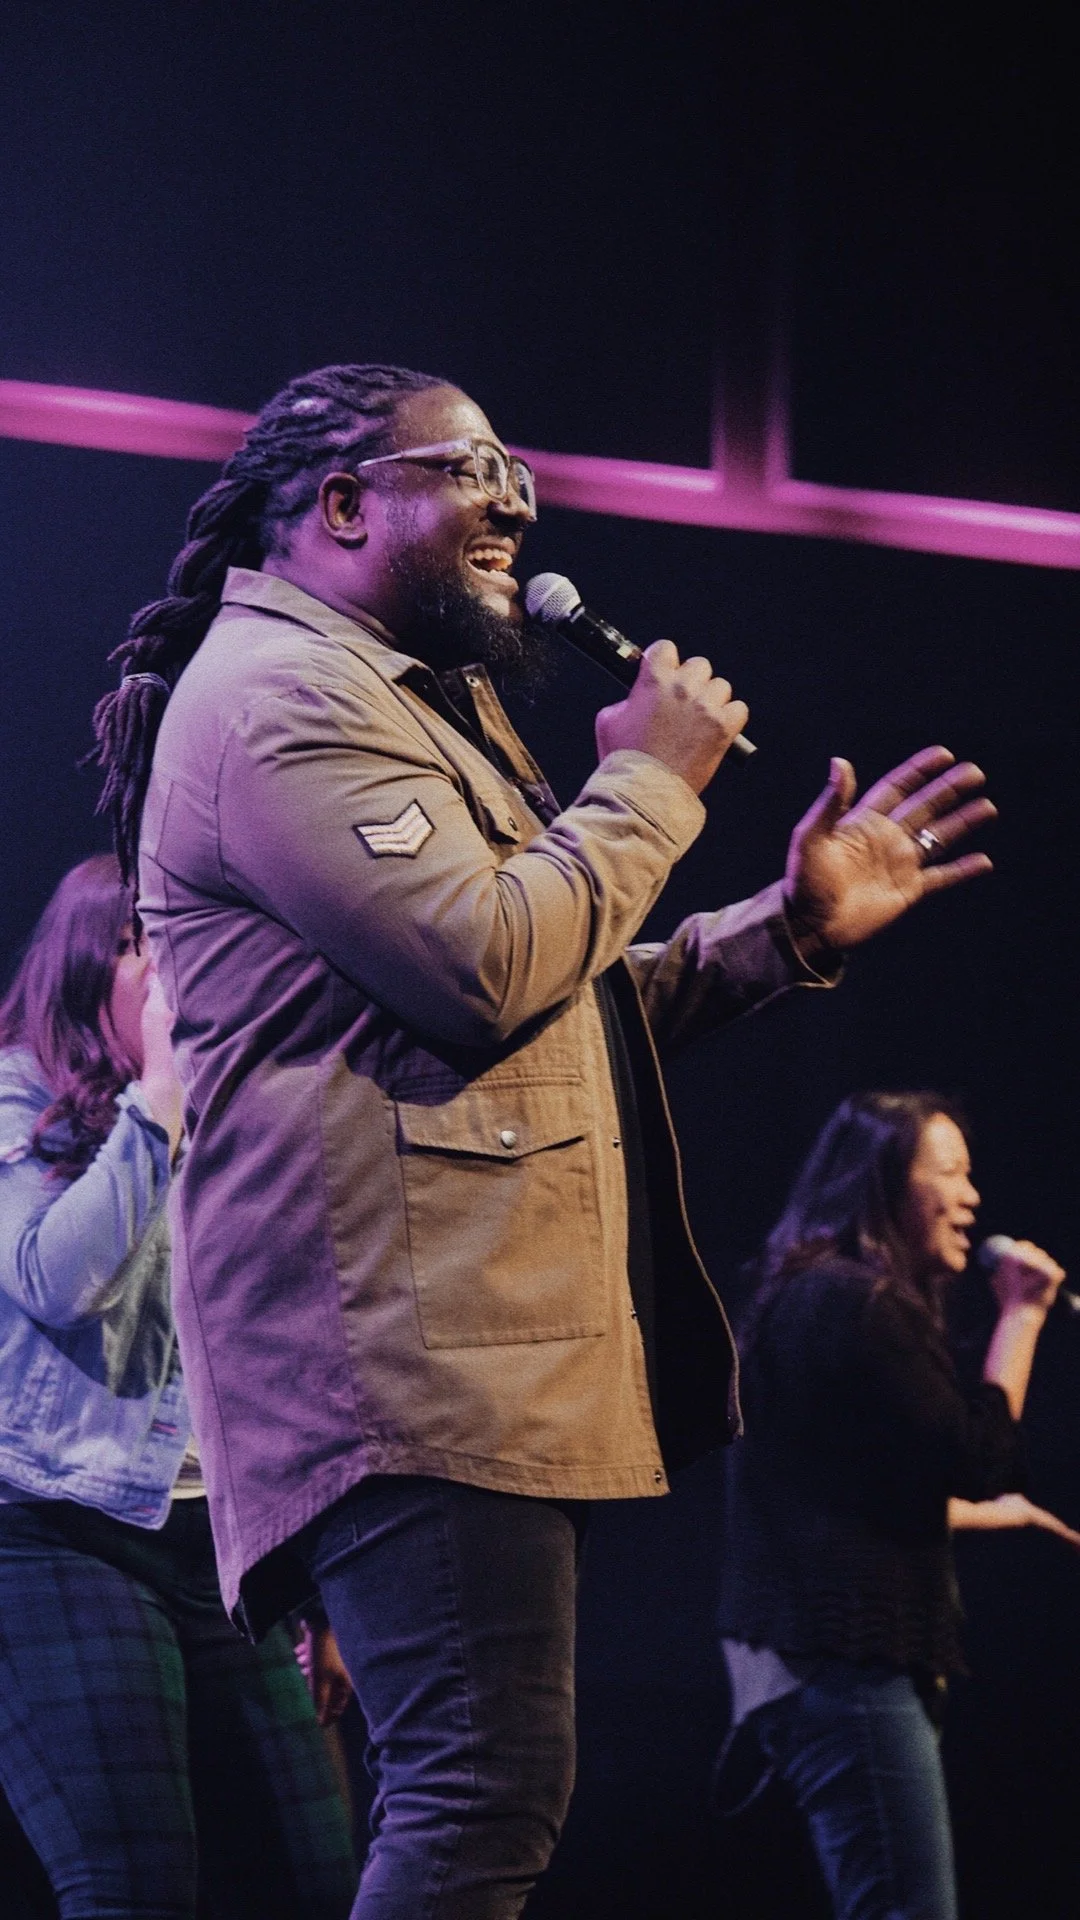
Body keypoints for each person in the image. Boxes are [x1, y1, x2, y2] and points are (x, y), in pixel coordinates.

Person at [91, 361, 995, 1919]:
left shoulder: (391, 697)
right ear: (346, 503)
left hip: (446, 1348)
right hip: (398, 1354)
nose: (517, 495)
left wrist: (788, 928)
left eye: (517, 463)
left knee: (482, 1789)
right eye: (472, 465)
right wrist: (648, 778)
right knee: (481, 1794)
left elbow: (554, 993)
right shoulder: (278, 699)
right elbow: (486, 963)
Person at [0, 854, 357, 1920]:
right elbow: (57, 1281)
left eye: (182, 945)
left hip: (223, 1552)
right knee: (136, 1883)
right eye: (134, 947)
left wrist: (318, 1584)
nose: (169, 974)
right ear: (80, 968)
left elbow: (287, 1354)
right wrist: (155, 1100)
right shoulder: (17, 1093)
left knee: (322, 1875)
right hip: (50, 1534)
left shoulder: (237, 1114)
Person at [715, 1090, 1068, 1920]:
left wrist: (1003, 1518)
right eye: (948, 1171)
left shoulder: (817, 1296)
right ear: (879, 1183)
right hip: (842, 1663)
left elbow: (849, 1491)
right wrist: (1023, 1315)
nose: (972, 1195)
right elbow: (974, 1458)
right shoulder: (852, 1303)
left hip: (821, 1662)